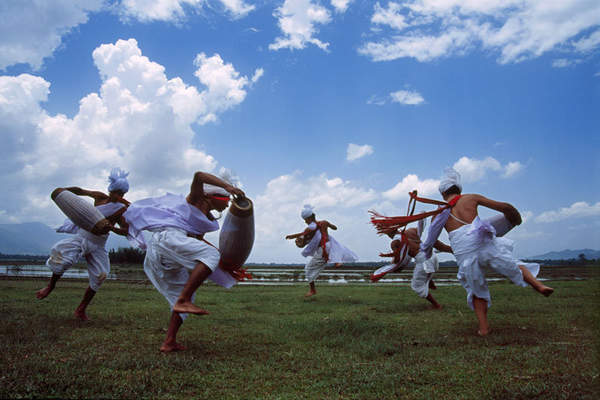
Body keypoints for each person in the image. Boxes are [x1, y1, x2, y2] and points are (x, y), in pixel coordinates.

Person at [416, 168, 553, 335]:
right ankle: (539, 285)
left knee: (476, 290)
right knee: (514, 265)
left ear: (443, 194)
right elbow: (504, 207)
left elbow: (431, 241)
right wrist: (514, 218)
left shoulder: (438, 213)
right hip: (483, 242)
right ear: (459, 189)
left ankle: (483, 328)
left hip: (464, 254)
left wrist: (446, 250)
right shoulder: (470, 198)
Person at [123, 171, 244, 352]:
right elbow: (199, 175)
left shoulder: (206, 220)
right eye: (226, 199)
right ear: (214, 196)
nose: (228, 204)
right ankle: (183, 300)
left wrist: (225, 265)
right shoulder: (195, 199)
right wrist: (228, 186)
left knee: (190, 291)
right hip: (166, 239)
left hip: (167, 251)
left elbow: (196, 243)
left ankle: (169, 341)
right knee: (209, 257)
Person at [36, 168, 131, 321]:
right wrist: (64, 192)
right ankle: (50, 286)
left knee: (101, 275)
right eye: (117, 193)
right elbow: (79, 191)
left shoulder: (122, 210)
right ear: (111, 190)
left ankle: (80, 310)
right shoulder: (99, 197)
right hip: (83, 236)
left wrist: (111, 228)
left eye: (122, 194)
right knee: (64, 259)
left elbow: (126, 231)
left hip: (98, 243)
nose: (120, 197)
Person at [373, 221, 452, 309]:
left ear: (387, 232)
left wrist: (392, 268)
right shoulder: (411, 231)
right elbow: (426, 235)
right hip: (433, 257)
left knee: (416, 286)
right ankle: (429, 281)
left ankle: (436, 305)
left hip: (424, 261)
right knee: (422, 271)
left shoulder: (395, 242)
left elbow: (399, 259)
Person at [285, 205, 358, 297]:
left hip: (323, 248)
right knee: (334, 248)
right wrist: (329, 225)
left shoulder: (311, 227)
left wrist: (292, 236)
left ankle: (312, 290)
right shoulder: (323, 222)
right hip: (329, 244)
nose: (305, 222)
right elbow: (334, 228)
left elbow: (304, 234)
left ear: (310, 218)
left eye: (306, 220)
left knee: (308, 269)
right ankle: (335, 261)